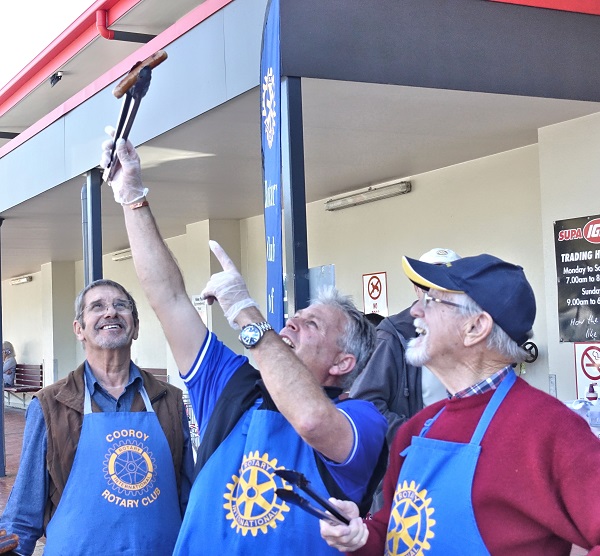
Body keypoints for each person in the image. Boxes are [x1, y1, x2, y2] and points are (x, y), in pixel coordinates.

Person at [100, 134, 388, 555]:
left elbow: (310, 418)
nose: (291, 322)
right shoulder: (233, 384)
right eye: (294, 316)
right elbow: (169, 298)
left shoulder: (363, 420)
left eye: (310, 324)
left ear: (343, 362)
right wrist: (132, 197)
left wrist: (244, 311)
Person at [320, 253, 600, 555]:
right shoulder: (415, 430)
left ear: (475, 327)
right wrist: (359, 536)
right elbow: (393, 533)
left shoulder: (551, 429)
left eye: (432, 302)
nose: (416, 311)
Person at [0, 279, 194, 556]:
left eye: (121, 305)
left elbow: (190, 500)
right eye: (97, 306)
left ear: (135, 327)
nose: (110, 312)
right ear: (79, 330)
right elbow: (23, 512)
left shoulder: (170, 401)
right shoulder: (49, 405)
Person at [350, 248, 459, 513]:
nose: (434, 291)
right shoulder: (394, 334)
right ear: (415, 287)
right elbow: (365, 402)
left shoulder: (465, 331)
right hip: (407, 470)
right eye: (426, 283)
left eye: (444, 281)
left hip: (458, 462)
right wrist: (418, 435)